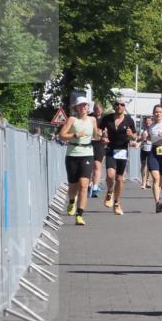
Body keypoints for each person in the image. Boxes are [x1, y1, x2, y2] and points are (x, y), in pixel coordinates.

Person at [57, 95, 99, 226]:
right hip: (73, 154)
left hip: (87, 154)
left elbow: (96, 135)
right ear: (76, 107)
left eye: (85, 105)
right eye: (81, 105)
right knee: (73, 185)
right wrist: (75, 135)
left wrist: (102, 136)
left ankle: (79, 215)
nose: (84, 107)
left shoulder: (92, 120)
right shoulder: (72, 119)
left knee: (83, 185)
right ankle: (71, 202)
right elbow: (62, 136)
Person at [99, 98, 137, 215]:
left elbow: (134, 136)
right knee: (110, 175)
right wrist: (102, 137)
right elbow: (98, 131)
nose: (119, 106)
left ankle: (117, 203)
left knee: (120, 178)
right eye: (117, 104)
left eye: (122, 105)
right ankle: (110, 191)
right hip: (110, 149)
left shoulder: (129, 120)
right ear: (114, 106)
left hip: (122, 150)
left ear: (124, 107)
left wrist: (131, 135)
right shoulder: (107, 118)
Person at [89, 102, 106, 198]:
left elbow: (107, 132)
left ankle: (95, 188)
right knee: (90, 166)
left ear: (102, 110)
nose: (97, 112)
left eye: (99, 111)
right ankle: (89, 185)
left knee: (97, 165)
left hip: (99, 144)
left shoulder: (105, 119)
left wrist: (103, 134)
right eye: (96, 110)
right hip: (89, 143)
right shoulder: (89, 117)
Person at [138, 116, 153, 189]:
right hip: (143, 149)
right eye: (146, 121)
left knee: (150, 166)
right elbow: (138, 140)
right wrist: (142, 138)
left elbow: (156, 139)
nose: (148, 122)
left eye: (149, 121)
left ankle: (148, 180)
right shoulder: (142, 130)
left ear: (151, 122)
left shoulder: (153, 130)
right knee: (143, 165)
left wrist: (149, 137)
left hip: (151, 149)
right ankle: (143, 182)